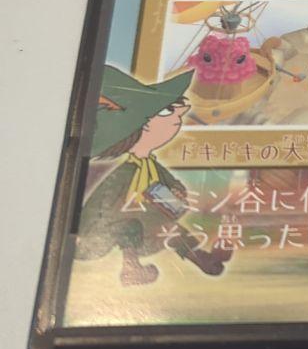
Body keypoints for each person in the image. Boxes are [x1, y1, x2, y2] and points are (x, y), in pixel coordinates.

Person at [77, 66, 232, 286]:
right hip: (105, 232)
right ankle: (131, 267)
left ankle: (200, 257)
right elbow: (103, 209)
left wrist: (176, 194)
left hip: (145, 224)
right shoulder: (121, 172)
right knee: (132, 224)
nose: (176, 119)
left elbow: (173, 188)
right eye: (166, 112)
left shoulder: (151, 166)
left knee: (170, 229)